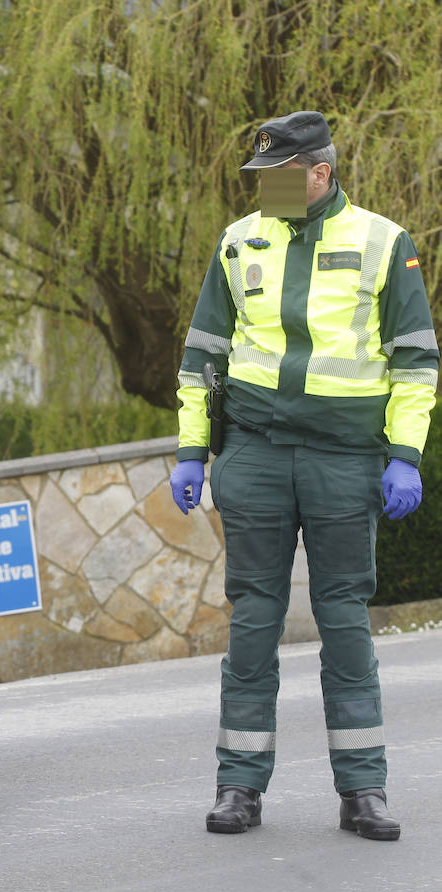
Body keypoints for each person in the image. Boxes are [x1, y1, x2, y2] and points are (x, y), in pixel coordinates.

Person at [169, 111, 438, 841]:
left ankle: (363, 792)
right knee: (252, 623)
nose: (264, 191)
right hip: (254, 453)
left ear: (320, 172)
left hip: (343, 457)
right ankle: (238, 786)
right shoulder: (238, 241)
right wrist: (194, 448)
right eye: (259, 179)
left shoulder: (384, 242)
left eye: (279, 179)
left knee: (345, 624)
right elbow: (203, 356)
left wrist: (405, 455)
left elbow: (416, 362)